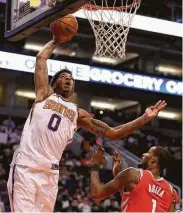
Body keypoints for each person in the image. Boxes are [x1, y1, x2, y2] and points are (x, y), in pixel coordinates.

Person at [7, 37, 167, 212]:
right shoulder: (44, 94)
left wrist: (144, 118)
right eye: (63, 77)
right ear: (53, 84)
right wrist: (56, 41)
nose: (68, 79)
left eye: (71, 79)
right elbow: (41, 58)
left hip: (50, 173)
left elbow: (113, 133)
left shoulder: (78, 114)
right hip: (26, 166)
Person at [90, 145, 179, 212]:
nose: (143, 154)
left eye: (148, 152)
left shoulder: (134, 174)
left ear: (154, 159)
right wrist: (117, 173)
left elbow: (97, 193)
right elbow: (132, 198)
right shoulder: (172, 192)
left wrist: (95, 165)